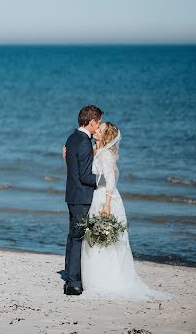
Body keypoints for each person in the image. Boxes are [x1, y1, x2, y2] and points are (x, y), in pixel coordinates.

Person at [80, 122, 171, 300]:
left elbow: (110, 180)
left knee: (107, 239)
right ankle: (98, 279)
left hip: (106, 198)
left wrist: (106, 204)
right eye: (97, 127)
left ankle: (109, 281)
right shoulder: (99, 151)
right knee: (97, 239)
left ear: (106, 136)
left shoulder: (106, 155)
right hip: (98, 196)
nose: (96, 129)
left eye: (100, 129)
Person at [63, 105, 103, 295]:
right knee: (78, 238)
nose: (99, 126)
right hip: (82, 197)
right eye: (99, 122)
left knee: (73, 237)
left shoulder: (71, 138)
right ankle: (74, 283)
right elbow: (86, 177)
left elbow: (73, 170)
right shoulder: (84, 143)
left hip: (72, 194)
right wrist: (105, 180)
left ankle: (71, 280)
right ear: (92, 121)